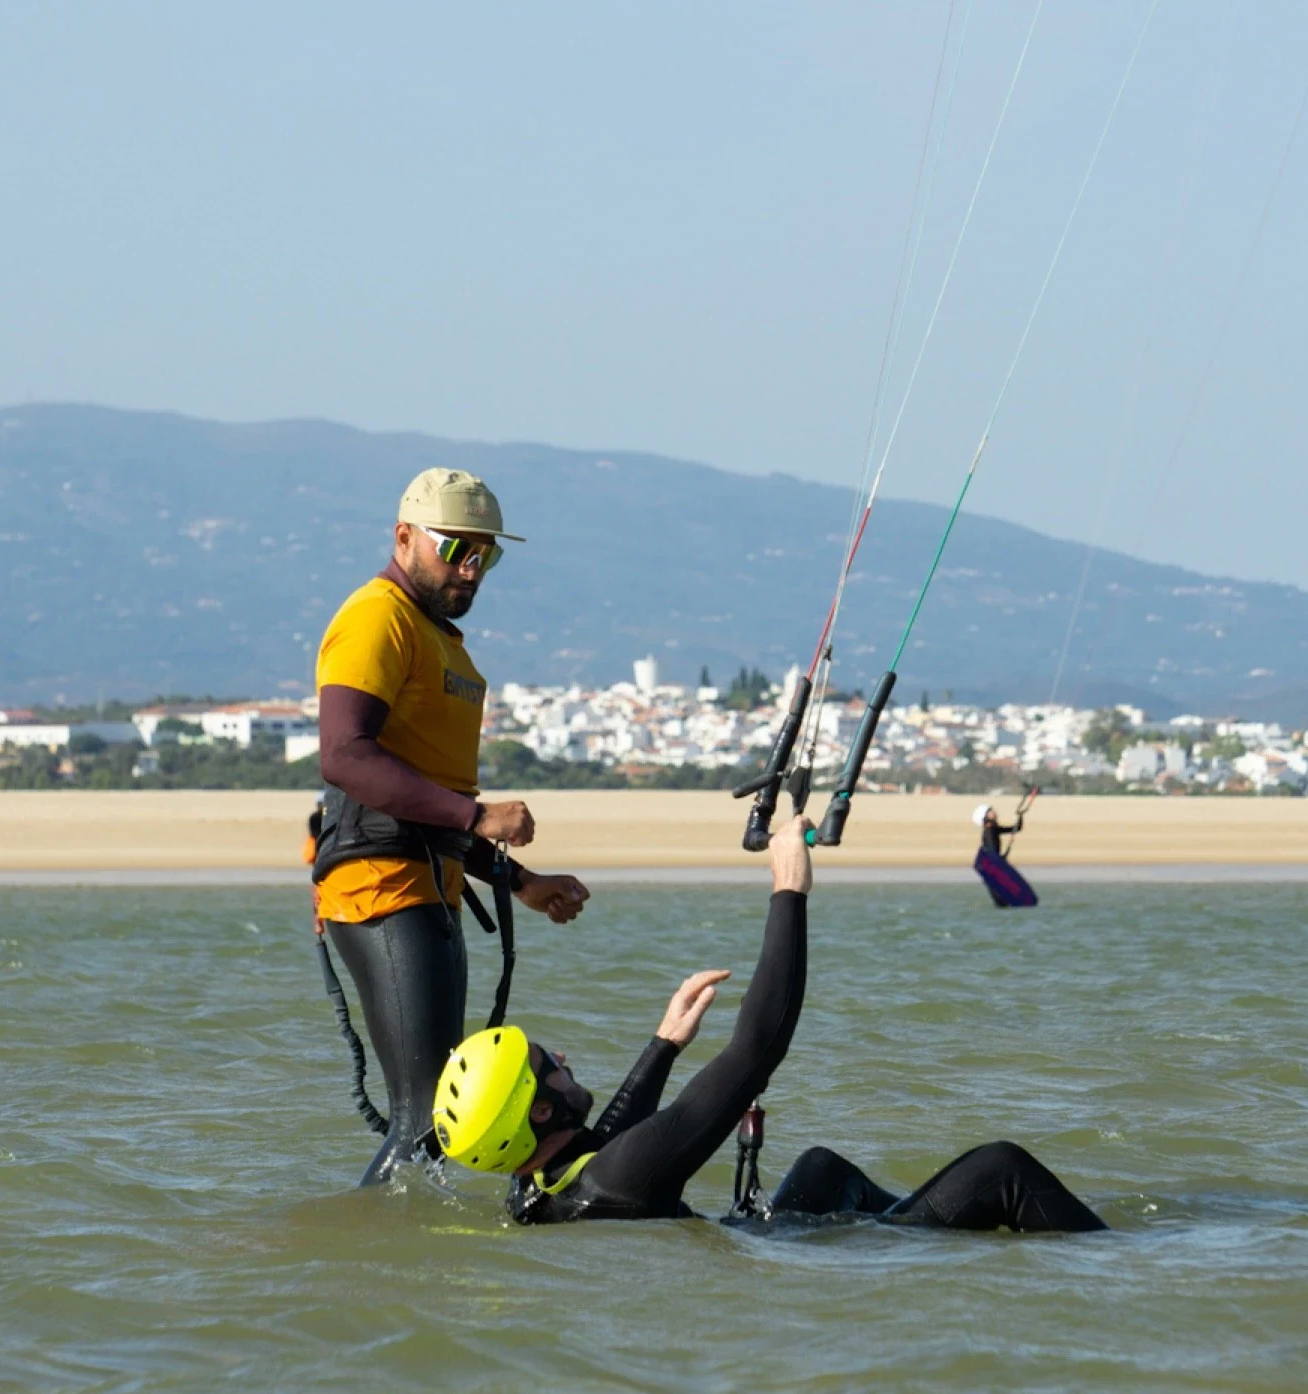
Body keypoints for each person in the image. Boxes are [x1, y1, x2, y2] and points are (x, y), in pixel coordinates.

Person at [430, 814, 1104, 1233]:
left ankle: (918, 1237)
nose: (561, 1057)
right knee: (1000, 1168)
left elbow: (600, 1147)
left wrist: (666, 1044)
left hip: (772, 1238)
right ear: (539, 1111)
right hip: (793, 1263)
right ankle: (1119, 1261)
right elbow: (757, 1050)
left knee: (820, 1170)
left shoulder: (531, 1188)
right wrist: (790, 888)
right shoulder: (620, 1177)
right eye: (547, 1064)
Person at [315, 467, 591, 1185]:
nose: (471, 568)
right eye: (456, 549)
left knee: (437, 1115)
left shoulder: (440, 639)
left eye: (486, 555)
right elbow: (344, 755)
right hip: (379, 889)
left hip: (428, 884)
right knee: (424, 1120)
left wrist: (520, 882)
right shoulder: (377, 617)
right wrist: (479, 814)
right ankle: (370, 1244)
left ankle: (404, 1245)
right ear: (404, 537)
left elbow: (427, 804)